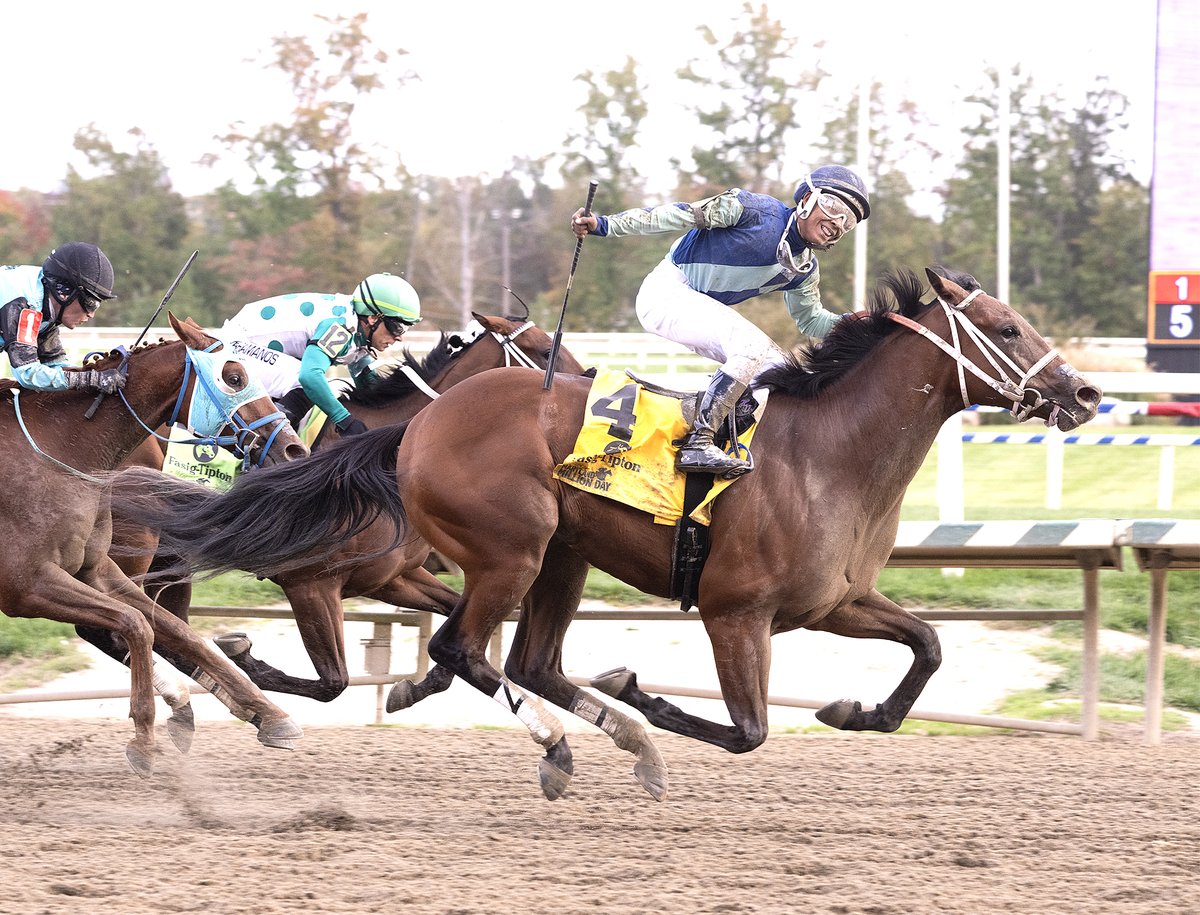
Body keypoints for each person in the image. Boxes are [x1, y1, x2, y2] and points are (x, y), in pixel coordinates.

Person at [571, 165, 870, 475]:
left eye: (847, 221)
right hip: (666, 291)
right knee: (751, 347)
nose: (837, 223)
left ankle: (740, 448)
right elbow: (678, 215)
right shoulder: (754, 210)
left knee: (777, 370)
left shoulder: (805, 269)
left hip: (695, 305)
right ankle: (697, 444)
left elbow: (812, 322)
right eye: (834, 207)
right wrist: (605, 225)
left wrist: (857, 323)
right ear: (807, 199)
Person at [217, 272, 421, 436]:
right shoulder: (340, 328)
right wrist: (344, 421)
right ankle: (266, 443)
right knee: (302, 378)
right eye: (397, 327)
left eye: (406, 329)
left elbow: (371, 387)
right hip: (237, 343)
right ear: (372, 318)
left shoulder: (357, 330)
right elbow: (310, 377)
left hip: (253, 346)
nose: (400, 337)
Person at [0, 242, 123, 393]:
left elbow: (54, 365)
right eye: (91, 303)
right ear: (65, 293)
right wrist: (90, 380)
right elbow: (28, 373)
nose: (91, 314)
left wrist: (95, 374)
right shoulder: (26, 305)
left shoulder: (45, 299)